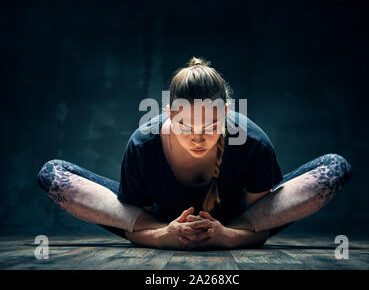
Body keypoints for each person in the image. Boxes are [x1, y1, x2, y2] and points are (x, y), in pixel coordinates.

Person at [36, 57, 352, 250]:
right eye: (186, 126)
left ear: (227, 114)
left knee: (334, 167)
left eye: (212, 125)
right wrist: (165, 236)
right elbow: (136, 222)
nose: (199, 137)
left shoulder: (252, 141)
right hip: (160, 223)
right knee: (52, 173)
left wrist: (226, 236)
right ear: (171, 115)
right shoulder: (143, 144)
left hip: (235, 223)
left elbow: (259, 223)